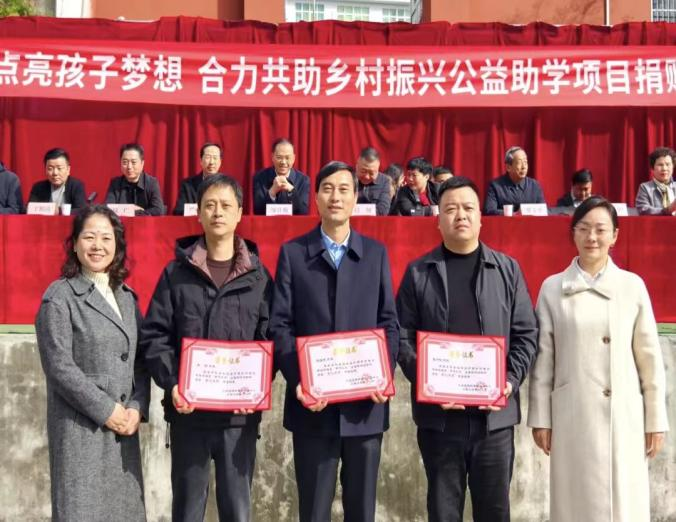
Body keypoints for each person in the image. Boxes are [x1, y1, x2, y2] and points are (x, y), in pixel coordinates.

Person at [397, 176, 538, 522]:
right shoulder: (419, 273)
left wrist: (509, 381)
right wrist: (428, 382)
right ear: (438, 219)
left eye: (468, 208)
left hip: (494, 421)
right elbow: (402, 336)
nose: (460, 215)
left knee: (494, 512)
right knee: (443, 512)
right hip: (440, 421)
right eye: (450, 209)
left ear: (480, 217)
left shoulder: (507, 270)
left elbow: (526, 334)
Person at [270, 161, 398, 522]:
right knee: (313, 512)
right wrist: (300, 380)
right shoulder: (294, 254)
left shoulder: (375, 254)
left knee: (362, 512)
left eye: (344, 189)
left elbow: (389, 322)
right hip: (313, 409)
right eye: (327, 189)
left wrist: (384, 375)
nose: (336, 197)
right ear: (315, 198)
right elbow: (280, 324)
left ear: (356, 198)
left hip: (365, 410)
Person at [528, 196, 668, 522]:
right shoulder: (552, 288)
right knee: (575, 503)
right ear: (573, 234)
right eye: (584, 229)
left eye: (601, 229)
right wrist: (541, 418)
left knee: (624, 505)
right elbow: (543, 362)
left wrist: (655, 420)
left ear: (615, 235)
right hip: (573, 416)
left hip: (623, 417)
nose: (592, 237)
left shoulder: (632, 287)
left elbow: (649, 360)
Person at [141, 174, 272, 521]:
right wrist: (173, 384)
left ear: (240, 213)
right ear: (198, 213)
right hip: (189, 416)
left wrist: (257, 388)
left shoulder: (259, 278)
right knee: (187, 511)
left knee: (237, 512)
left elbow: (269, 337)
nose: (218, 212)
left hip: (238, 419)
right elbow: (155, 335)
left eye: (226, 205)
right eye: (210, 205)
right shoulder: (176, 274)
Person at [35, 204, 150, 521]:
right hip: (81, 432)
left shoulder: (126, 297)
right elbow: (58, 366)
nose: (98, 245)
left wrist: (137, 408)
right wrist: (106, 409)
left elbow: (141, 361)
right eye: (89, 237)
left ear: (117, 245)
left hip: (123, 432)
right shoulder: (59, 297)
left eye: (106, 238)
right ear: (74, 244)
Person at [105, 143, 165, 216]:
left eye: (133, 162)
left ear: (142, 163)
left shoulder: (151, 183)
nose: (129, 167)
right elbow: (107, 209)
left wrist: (136, 212)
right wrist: (131, 209)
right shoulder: (115, 183)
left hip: (145, 223)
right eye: (125, 162)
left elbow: (158, 210)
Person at [252, 138, 309, 215]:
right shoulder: (260, 178)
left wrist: (291, 190)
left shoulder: (303, 180)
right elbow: (258, 211)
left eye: (287, 158)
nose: (283, 162)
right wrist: (272, 191)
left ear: (293, 159)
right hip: (268, 222)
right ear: (272, 157)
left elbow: (303, 212)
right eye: (279, 157)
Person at [484, 146, 545, 215]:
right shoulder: (495, 186)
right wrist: (514, 214)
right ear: (508, 167)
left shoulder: (534, 186)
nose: (524, 167)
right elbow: (489, 211)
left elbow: (543, 211)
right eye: (519, 163)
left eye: (525, 162)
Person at [173, 142, 225, 215]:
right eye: (208, 157)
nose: (211, 162)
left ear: (220, 162)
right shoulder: (188, 185)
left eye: (215, 158)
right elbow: (179, 211)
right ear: (201, 161)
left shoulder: (228, 186)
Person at [28, 148, 86, 212]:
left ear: (68, 170)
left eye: (59, 168)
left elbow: (81, 210)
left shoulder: (76, 186)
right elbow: (29, 209)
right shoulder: (38, 187)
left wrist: (59, 211)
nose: (55, 173)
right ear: (45, 170)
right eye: (50, 168)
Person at [635, 146, 676, 216]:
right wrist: (667, 210)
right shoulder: (645, 187)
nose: (664, 168)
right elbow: (643, 209)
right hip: (656, 223)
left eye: (668, 164)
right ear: (652, 168)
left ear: (673, 166)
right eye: (660, 165)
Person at [355, 146, 391, 215]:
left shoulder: (384, 181)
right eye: (363, 171)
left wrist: (356, 211)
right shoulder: (348, 178)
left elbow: (383, 210)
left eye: (371, 173)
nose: (367, 177)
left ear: (378, 169)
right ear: (357, 166)